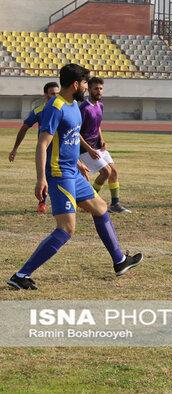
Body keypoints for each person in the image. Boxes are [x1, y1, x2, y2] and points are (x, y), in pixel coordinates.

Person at [7, 64, 142, 291]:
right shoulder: (55, 107)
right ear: (76, 84)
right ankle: (21, 275)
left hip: (73, 171)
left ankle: (119, 261)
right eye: (86, 83)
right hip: (59, 175)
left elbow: (69, 135)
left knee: (100, 208)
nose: (88, 87)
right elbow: (42, 145)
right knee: (67, 229)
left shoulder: (72, 106)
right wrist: (41, 179)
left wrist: (80, 160)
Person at [78, 77, 130, 213]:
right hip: (85, 149)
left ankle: (115, 204)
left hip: (97, 146)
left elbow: (97, 125)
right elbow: (76, 132)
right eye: (95, 88)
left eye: (100, 88)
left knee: (114, 171)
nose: (98, 91)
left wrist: (101, 139)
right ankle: (88, 202)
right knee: (106, 172)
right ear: (89, 89)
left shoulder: (100, 104)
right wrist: (89, 149)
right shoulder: (83, 108)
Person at [8, 82, 60, 213]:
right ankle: (42, 202)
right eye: (52, 94)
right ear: (45, 95)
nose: (55, 96)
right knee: (46, 176)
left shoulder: (63, 108)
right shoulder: (39, 110)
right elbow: (24, 128)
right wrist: (15, 148)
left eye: (57, 93)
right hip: (47, 151)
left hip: (64, 150)